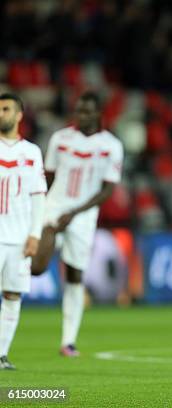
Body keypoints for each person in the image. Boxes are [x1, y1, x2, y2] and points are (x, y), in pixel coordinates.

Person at [30, 92, 124, 357]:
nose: (81, 116)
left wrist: (77, 211)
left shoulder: (111, 145)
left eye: (87, 111)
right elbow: (47, 176)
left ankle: (68, 342)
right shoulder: (60, 139)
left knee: (75, 277)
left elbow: (108, 189)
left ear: (98, 113)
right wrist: (38, 207)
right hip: (55, 207)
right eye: (78, 111)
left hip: (84, 215)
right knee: (36, 267)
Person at [0, 93, 47, 370]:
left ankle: (2, 354)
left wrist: (35, 235)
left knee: (12, 294)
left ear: (19, 115)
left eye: (6, 109)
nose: (1, 113)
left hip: (18, 238)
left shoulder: (31, 152)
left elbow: (38, 195)